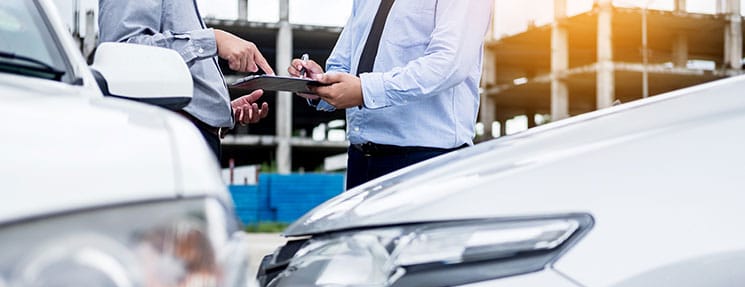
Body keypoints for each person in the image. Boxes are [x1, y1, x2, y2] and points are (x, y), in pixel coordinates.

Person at [289, 0, 494, 190]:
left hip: (426, 159)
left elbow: (449, 64)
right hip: (361, 160)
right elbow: (344, 62)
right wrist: (320, 82)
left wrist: (363, 90)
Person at [98, 0, 274, 161]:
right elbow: (121, 54)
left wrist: (217, 112)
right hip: (166, 142)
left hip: (186, 139)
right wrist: (213, 40)